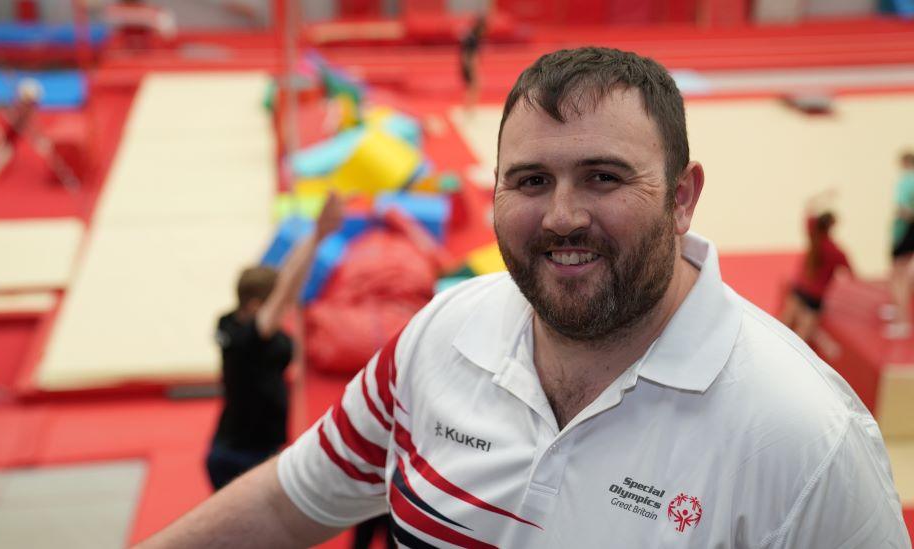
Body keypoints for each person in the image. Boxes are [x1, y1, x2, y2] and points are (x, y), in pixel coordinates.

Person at [139, 48, 909, 548]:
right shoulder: (440, 337)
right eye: (531, 181)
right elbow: (284, 505)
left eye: (604, 177)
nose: (564, 215)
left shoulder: (807, 441)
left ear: (682, 198)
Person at [206, 193, 343, 491]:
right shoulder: (246, 337)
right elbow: (283, 293)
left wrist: (311, 240)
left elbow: (283, 284)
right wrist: (316, 237)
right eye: (276, 306)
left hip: (249, 443)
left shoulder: (231, 320)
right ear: (256, 305)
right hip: (241, 456)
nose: (284, 310)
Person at [779, 190, 851, 343]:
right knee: (801, 338)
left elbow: (808, 206)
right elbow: (851, 274)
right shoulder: (836, 251)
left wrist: (825, 196)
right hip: (814, 297)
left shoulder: (813, 235)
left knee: (781, 327)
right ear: (832, 226)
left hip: (799, 288)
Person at [886, 151, 914, 339]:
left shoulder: (905, 181)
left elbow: (903, 208)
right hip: (908, 231)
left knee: (899, 276)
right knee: (901, 275)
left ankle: (902, 321)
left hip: (905, 231)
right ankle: (898, 311)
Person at [459, 8, 487, 112]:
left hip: (466, 64)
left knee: (473, 87)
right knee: (474, 86)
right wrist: (471, 69)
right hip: (468, 65)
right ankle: (468, 108)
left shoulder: (471, 36)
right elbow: (468, 55)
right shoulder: (472, 39)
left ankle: (469, 108)